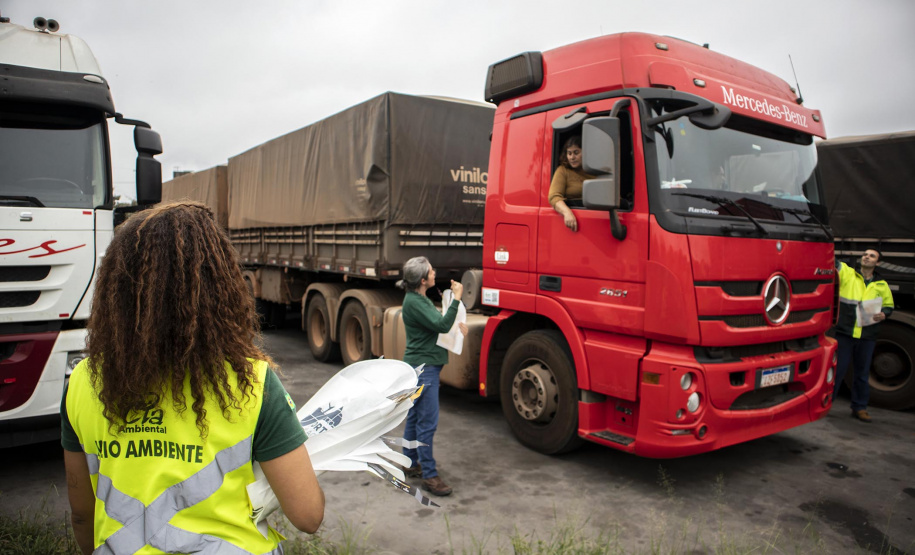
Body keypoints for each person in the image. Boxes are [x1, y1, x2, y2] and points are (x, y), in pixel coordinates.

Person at [61, 202, 324, 554]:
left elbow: (82, 516)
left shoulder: (82, 382)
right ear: (219, 286)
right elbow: (308, 516)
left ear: (117, 290)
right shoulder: (252, 384)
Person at [399, 256, 467, 496]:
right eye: (431, 270)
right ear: (423, 279)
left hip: (422, 365)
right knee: (427, 422)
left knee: (416, 417)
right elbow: (440, 325)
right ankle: (429, 475)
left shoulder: (418, 298)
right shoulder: (416, 302)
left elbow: (437, 327)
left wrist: (457, 327)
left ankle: (411, 463)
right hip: (424, 368)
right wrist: (457, 297)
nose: (435, 272)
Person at [834, 248, 894, 423]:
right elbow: (831, 261)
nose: (867, 257)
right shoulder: (848, 273)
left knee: (861, 373)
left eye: (872, 256)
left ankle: (859, 408)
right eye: (865, 255)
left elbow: (888, 305)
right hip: (845, 333)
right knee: (837, 371)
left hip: (867, 335)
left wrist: (885, 313)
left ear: (878, 263)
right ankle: (825, 404)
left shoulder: (882, 285)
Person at [548, 135, 596, 232]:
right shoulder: (563, 171)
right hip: (574, 223)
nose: (572, 157)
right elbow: (554, 196)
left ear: (586, 152)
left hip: (595, 219)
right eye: (569, 153)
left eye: (576, 152)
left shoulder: (594, 171)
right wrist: (567, 213)